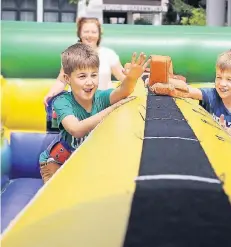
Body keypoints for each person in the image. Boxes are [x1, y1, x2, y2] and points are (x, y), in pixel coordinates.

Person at [39, 43, 149, 182]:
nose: (90, 82)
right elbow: (76, 129)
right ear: (67, 79)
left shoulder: (101, 97)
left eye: (94, 75)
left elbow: (123, 92)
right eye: (82, 76)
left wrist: (132, 78)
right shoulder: (62, 102)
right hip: (56, 163)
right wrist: (111, 109)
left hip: (82, 161)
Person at [150, 49, 231, 163]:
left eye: (230, 80)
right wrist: (163, 81)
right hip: (225, 152)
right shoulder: (212, 95)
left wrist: (224, 130)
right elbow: (187, 90)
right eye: (219, 77)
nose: (222, 83)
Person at [44, 17, 126, 105]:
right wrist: (51, 94)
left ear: (99, 34)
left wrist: (136, 76)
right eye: (86, 31)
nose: (90, 35)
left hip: (103, 106)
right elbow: (61, 80)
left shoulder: (108, 54)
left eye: (94, 32)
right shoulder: (72, 55)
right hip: (77, 106)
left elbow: (123, 77)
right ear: (79, 33)